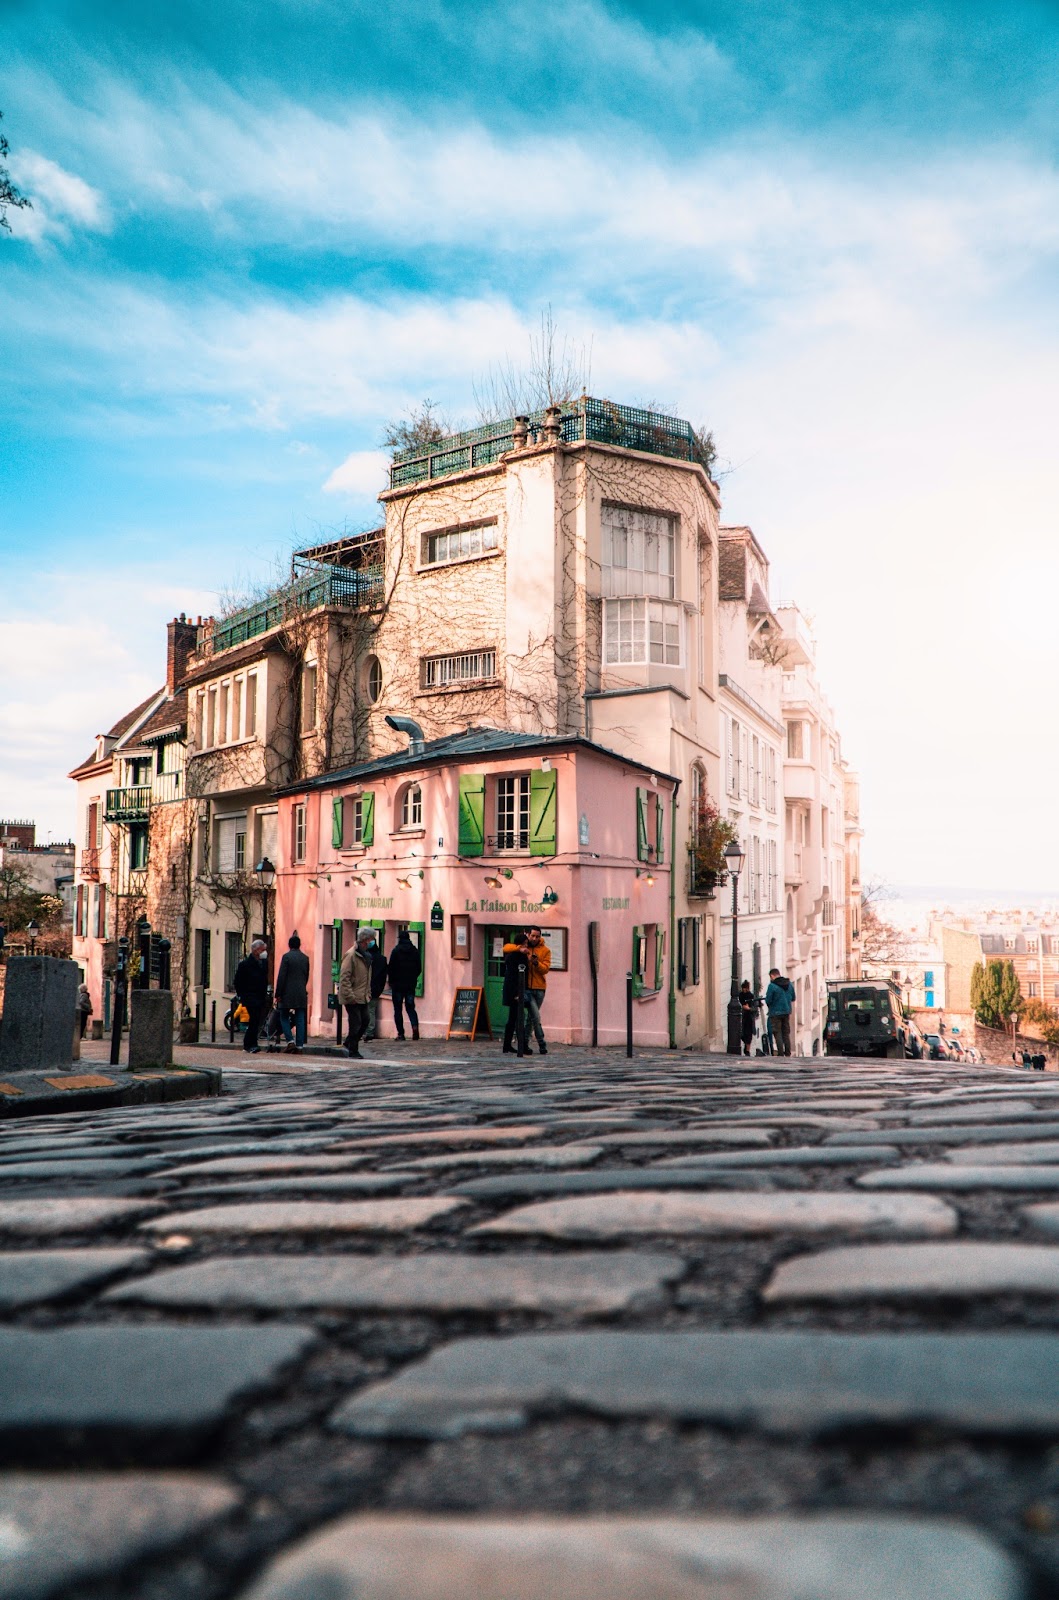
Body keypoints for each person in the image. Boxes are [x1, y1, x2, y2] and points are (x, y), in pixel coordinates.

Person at [504, 926, 552, 1055]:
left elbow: (545, 969)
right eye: (533, 936)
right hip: (527, 989)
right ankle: (541, 1044)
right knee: (535, 1017)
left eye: (537, 936)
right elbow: (506, 947)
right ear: (528, 935)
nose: (535, 938)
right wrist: (521, 949)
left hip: (539, 988)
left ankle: (524, 1044)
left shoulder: (545, 950)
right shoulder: (524, 946)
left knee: (531, 1019)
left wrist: (536, 963)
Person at [338, 927, 374, 1059]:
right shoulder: (351, 955)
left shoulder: (366, 956)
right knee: (356, 1023)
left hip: (363, 996)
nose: (373, 942)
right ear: (365, 940)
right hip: (352, 996)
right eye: (371, 939)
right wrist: (350, 996)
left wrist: (368, 993)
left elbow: (366, 978)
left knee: (365, 1020)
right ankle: (353, 1050)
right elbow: (345, 977)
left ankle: (349, 1043)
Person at [275, 933, 310, 1053]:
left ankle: (290, 1041)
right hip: (300, 992)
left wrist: (278, 994)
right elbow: (306, 976)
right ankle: (300, 1045)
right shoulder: (305, 958)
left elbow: (281, 976)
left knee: (283, 1015)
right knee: (300, 1018)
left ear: (289, 945)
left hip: (286, 993)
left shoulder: (286, 957)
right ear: (299, 945)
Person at [233, 939, 270, 1054]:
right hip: (249, 997)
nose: (264, 952)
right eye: (262, 950)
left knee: (256, 1021)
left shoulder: (263, 963)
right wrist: (242, 995)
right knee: (254, 1020)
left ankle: (250, 1044)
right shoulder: (245, 965)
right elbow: (237, 981)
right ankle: (251, 1044)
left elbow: (264, 978)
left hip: (260, 996)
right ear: (255, 950)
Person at [387, 929, 421, 1041]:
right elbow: (419, 968)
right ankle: (414, 1027)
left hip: (397, 985)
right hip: (410, 985)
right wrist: (413, 978)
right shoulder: (415, 951)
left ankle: (401, 1034)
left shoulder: (396, 951)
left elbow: (390, 968)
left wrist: (391, 982)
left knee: (398, 1009)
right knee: (411, 1007)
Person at [502, 939, 531, 1056]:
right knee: (517, 1018)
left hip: (517, 991)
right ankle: (520, 1046)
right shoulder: (515, 957)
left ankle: (508, 1045)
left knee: (515, 1019)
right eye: (523, 944)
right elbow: (514, 977)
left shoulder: (521, 957)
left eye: (526, 945)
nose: (525, 947)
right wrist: (517, 993)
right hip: (515, 992)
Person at [361, 931, 388, 1040]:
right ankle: (369, 1031)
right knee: (371, 1010)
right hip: (376, 989)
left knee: (365, 1011)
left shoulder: (366, 957)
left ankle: (368, 1031)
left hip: (366, 988)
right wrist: (380, 989)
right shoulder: (382, 958)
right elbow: (384, 975)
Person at [765, 966, 794, 1057]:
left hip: (775, 1012)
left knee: (777, 1033)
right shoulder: (789, 984)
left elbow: (768, 1000)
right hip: (786, 1011)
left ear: (772, 976)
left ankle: (780, 1054)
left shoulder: (772, 986)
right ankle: (788, 1053)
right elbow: (793, 997)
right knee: (786, 1033)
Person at [739, 979, 756, 1057]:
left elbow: (754, 1007)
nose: (745, 990)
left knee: (748, 1035)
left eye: (746, 988)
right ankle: (746, 1048)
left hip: (749, 1017)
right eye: (744, 988)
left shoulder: (751, 996)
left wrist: (749, 1008)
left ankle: (747, 1050)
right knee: (743, 1034)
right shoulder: (740, 995)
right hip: (742, 1017)